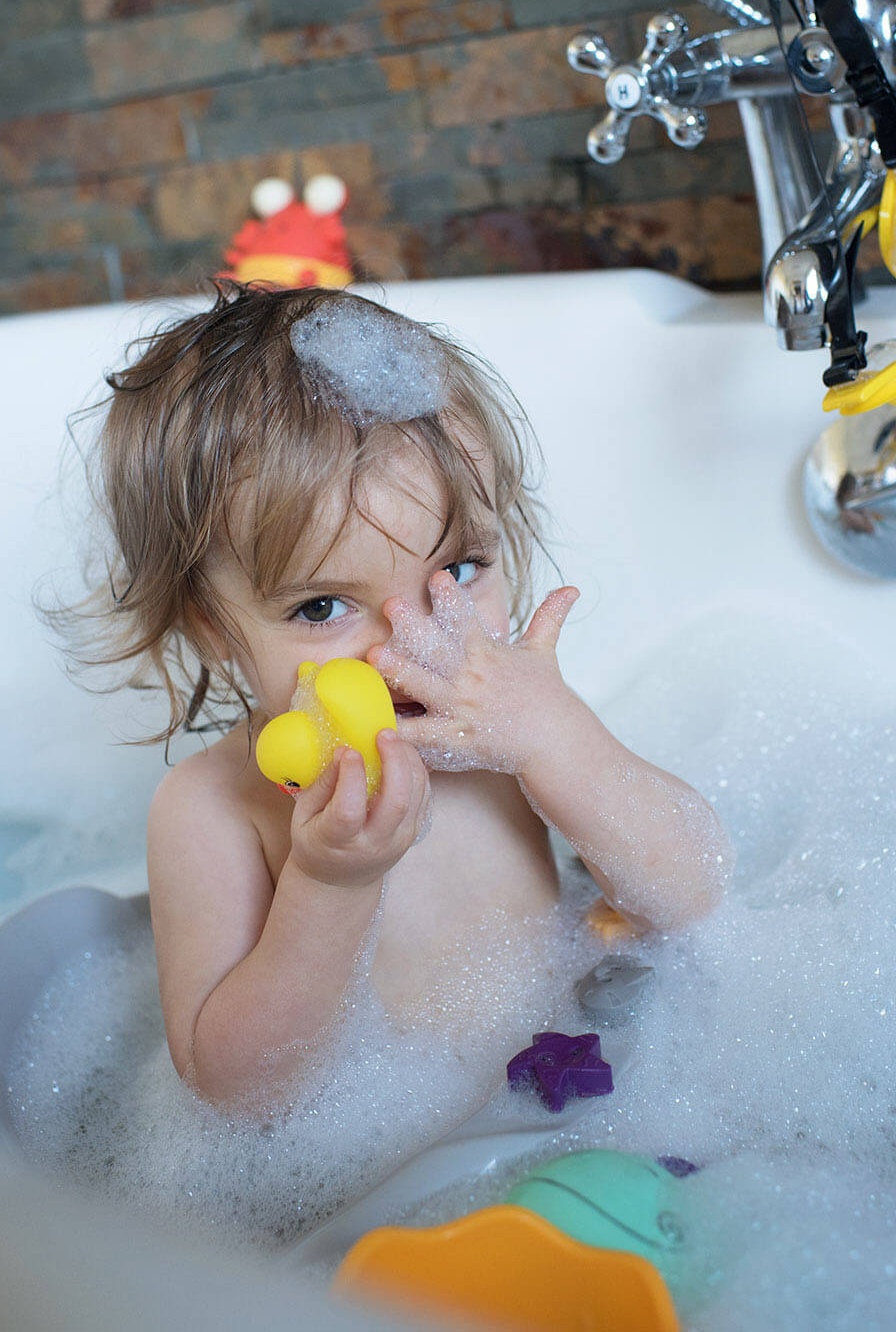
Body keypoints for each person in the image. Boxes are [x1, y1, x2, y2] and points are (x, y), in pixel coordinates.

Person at [72, 280, 731, 1108]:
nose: (411, 641)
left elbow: (697, 894)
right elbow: (238, 1094)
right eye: (322, 606)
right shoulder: (212, 809)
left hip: (578, 1088)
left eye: (457, 570)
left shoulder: (509, 727)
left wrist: (558, 739)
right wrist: (330, 881)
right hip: (383, 1158)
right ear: (211, 629)